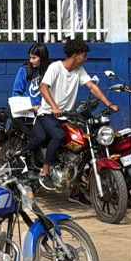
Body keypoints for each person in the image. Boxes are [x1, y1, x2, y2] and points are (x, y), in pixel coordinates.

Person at [20, 39, 118, 206]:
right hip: (47, 114)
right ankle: (45, 170)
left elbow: (92, 87)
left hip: (67, 116)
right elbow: (43, 88)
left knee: (83, 143)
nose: (85, 59)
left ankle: (75, 190)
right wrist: (54, 107)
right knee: (57, 135)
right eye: (84, 56)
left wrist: (108, 103)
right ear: (75, 56)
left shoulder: (79, 70)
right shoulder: (55, 67)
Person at [12, 42, 50, 112]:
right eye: (30, 57)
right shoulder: (24, 70)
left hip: (45, 110)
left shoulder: (50, 70)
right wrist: (26, 107)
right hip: (26, 110)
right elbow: (16, 92)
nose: (31, 61)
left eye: (34, 58)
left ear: (42, 58)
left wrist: (40, 106)